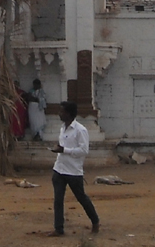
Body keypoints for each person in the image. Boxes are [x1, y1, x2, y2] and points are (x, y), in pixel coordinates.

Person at [48, 101, 99, 237]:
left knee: (81, 197)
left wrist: (65, 150)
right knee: (58, 200)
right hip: (59, 168)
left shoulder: (80, 130)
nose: (59, 114)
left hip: (73, 171)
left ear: (69, 114)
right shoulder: (62, 128)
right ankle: (59, 228)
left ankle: (95, 221)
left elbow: (84, 150)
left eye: (62, 111)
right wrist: (59, 149)